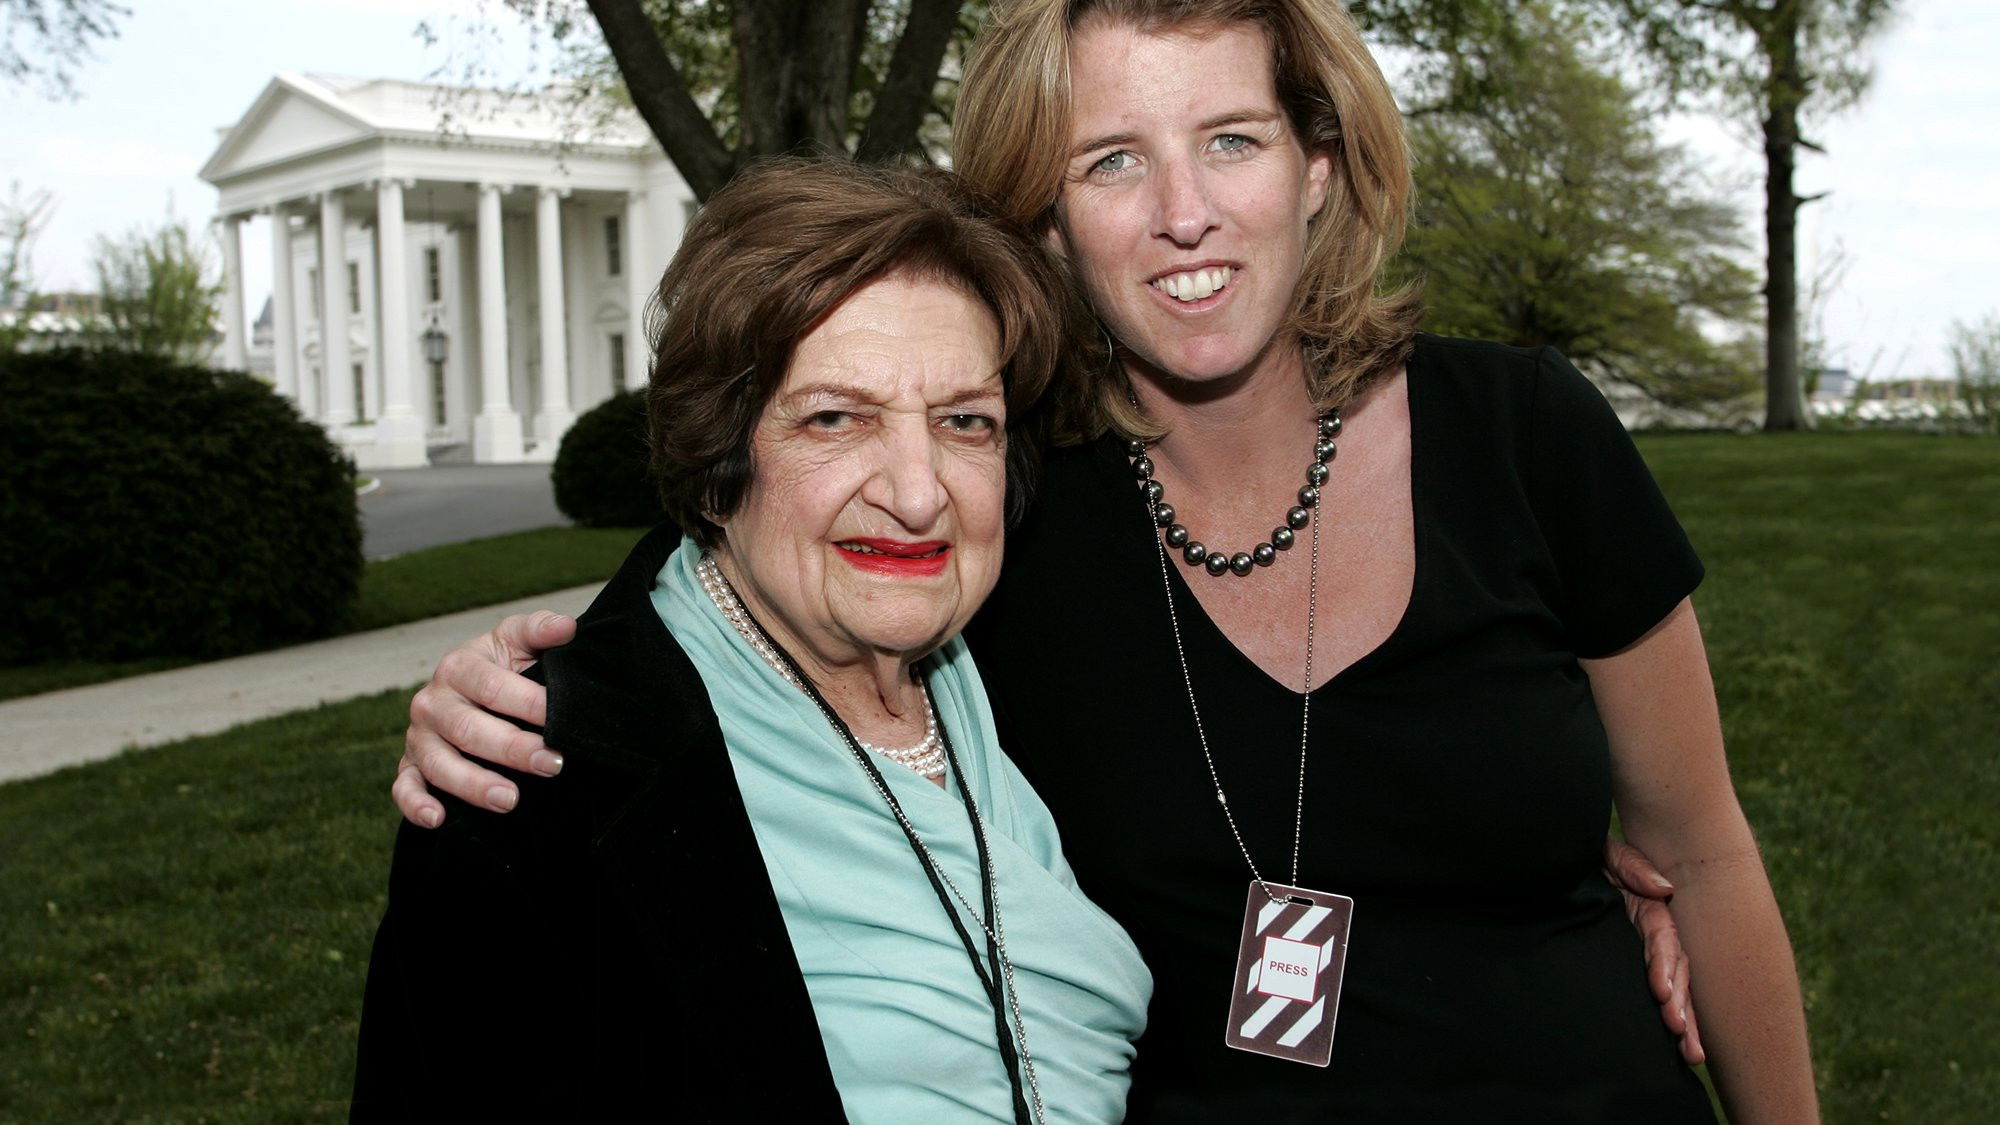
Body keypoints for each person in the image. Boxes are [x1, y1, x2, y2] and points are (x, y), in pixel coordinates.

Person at [390, 0, 1818, 1119]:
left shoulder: (1525, 436)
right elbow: (768, 537)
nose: (1181, 211)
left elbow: (1702, 848)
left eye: (1234, 140)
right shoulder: (1013, 514)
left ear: (1319, 167)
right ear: (1051, 217)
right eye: (1112, 159)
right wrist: (518, 691)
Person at [352, 159, 1151, 1122]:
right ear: (720, 459)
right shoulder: (534, 782)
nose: (916, 489)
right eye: (835, 417)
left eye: (964, 421)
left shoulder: (1044, 667)